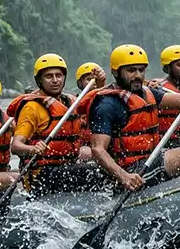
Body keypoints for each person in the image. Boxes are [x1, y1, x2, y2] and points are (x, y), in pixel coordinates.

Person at [88, 44, 180, 191]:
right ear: (116, 72)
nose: (137, 75)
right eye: (131, 70)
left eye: (141, 70)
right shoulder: (107, 104)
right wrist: (124, 176)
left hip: (150, 159)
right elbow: (97, 150)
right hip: (133, 170)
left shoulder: (147, 92)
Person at [8, 53, 109, 195]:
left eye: (59, 75)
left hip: (66, 167)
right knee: (98, 172)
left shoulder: (71, 101)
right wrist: (32, 149)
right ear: (39, 80)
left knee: (106, 165)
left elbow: (97, 105)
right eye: (49, 76)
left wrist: (100, 84)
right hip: (40, 176)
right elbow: (16, 146)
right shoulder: (32, 108)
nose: (55, 80)